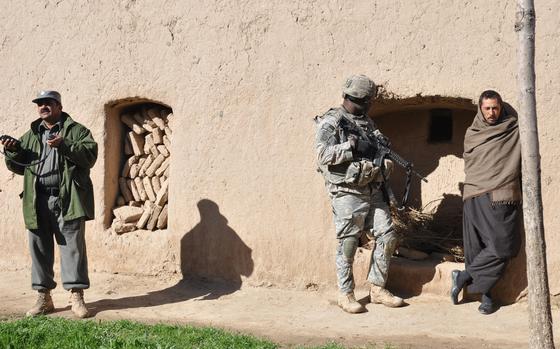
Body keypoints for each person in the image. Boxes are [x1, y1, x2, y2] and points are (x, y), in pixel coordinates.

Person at [1, 90, 98, 318]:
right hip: (37, 199)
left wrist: (64, 145)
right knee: (39, 248)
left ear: (59, 106)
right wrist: (12, 150)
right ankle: (44, 298)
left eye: (47, 103)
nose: (42, 107)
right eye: (39, 104)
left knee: (73, 248)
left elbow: (90, 156)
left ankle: (76, 296)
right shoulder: (31, 134)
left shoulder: (77, 130)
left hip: (67, 198)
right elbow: (17, 166)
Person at [314, 74, 404, 313]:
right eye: (366, 102)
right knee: (349, 242)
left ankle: (377, 289)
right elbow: (322, 155)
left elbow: (377, 146)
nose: (368, 106)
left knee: (388, 235)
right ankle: (346, 294)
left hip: (371, 188)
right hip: (346, 191)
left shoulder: (367, 122)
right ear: (356, 98)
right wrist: (350, 147)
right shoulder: (331, 121)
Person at [451, 90, 522, 314]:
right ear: (480, 110)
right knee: (476, 247)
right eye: (487, 108)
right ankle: (487, 298)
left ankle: (464, 276)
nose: (491, 112)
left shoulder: (512, 129)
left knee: (504, 246)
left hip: (502, 195)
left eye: (495, 108)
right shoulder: (472, 134)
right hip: (474, 195)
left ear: (501, 108)